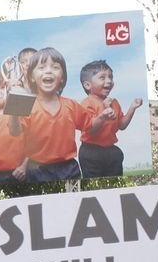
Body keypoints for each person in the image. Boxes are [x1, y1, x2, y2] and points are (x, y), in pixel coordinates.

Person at [9, 47, 99, 183]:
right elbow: (15, 131)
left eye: (55, 67)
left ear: (62, 77)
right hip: (36, 170)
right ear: (32, 77)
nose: (48, 71)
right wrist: (14, 104)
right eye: (41, 67)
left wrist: (103, 117)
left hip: (68, 169)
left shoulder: (71, 105)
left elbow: (91, 126)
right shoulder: (26, 104)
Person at [77, 59, 142, 179]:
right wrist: (103, 114)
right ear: (87, 85)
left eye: (110, 77)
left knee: (115, 178)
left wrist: (132, 108)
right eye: (102, 77)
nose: (109, 81)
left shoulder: (114, 103)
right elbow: (90, 130)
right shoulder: (86, 104)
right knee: (93, 182)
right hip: (91, 151)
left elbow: (122, 125)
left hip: (111, 150)